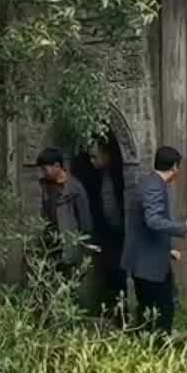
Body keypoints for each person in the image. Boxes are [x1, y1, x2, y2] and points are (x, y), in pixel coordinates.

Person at [120, 145, 187, 334]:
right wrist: (185, 226)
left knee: (151, 310)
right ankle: (159, 347)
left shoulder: (150, 183)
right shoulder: (154, 187)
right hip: (147, 265)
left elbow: (144, 227)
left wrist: (167, 251)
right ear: (174, 167)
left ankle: (149, 348)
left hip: (148, 260)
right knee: (162, 310)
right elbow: (154, 221)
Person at [74, 135, 129, 317]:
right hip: (104, 230)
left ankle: (122, 312)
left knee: (120, 272)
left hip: (122, 231)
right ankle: (109, 311)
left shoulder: (118, 173)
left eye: (95, 156)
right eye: (90, 157)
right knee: (108, 272)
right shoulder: (91, 174)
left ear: (107, 154)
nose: (92, 161)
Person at [35, 147, 93, 275]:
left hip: (70, 246)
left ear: (57, 166)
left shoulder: (76, 189)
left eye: (45, 169)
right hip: (51, 246)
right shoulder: (46, 185)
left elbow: (85, 221)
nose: (43, 173)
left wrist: (83, 250)